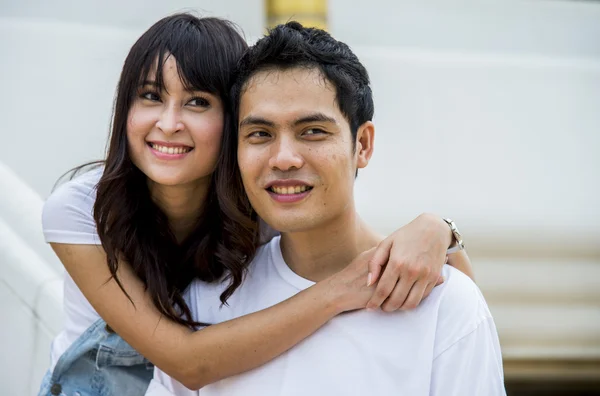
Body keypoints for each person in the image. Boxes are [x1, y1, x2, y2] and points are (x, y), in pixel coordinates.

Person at [38, 14, 474, 396]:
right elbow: (189, 363)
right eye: (150, 96)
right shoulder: (81, 210)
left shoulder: (259, 204)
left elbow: (455, 298)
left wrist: (441, 231)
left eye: (197, 102)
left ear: (233, 121)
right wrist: (343, 288)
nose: (168, 124)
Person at [147, 21, 503, 395]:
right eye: (260, 134)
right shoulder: (206, 300)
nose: (283, 158)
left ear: (362, 145)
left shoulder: (445, 305)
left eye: (312, 131)